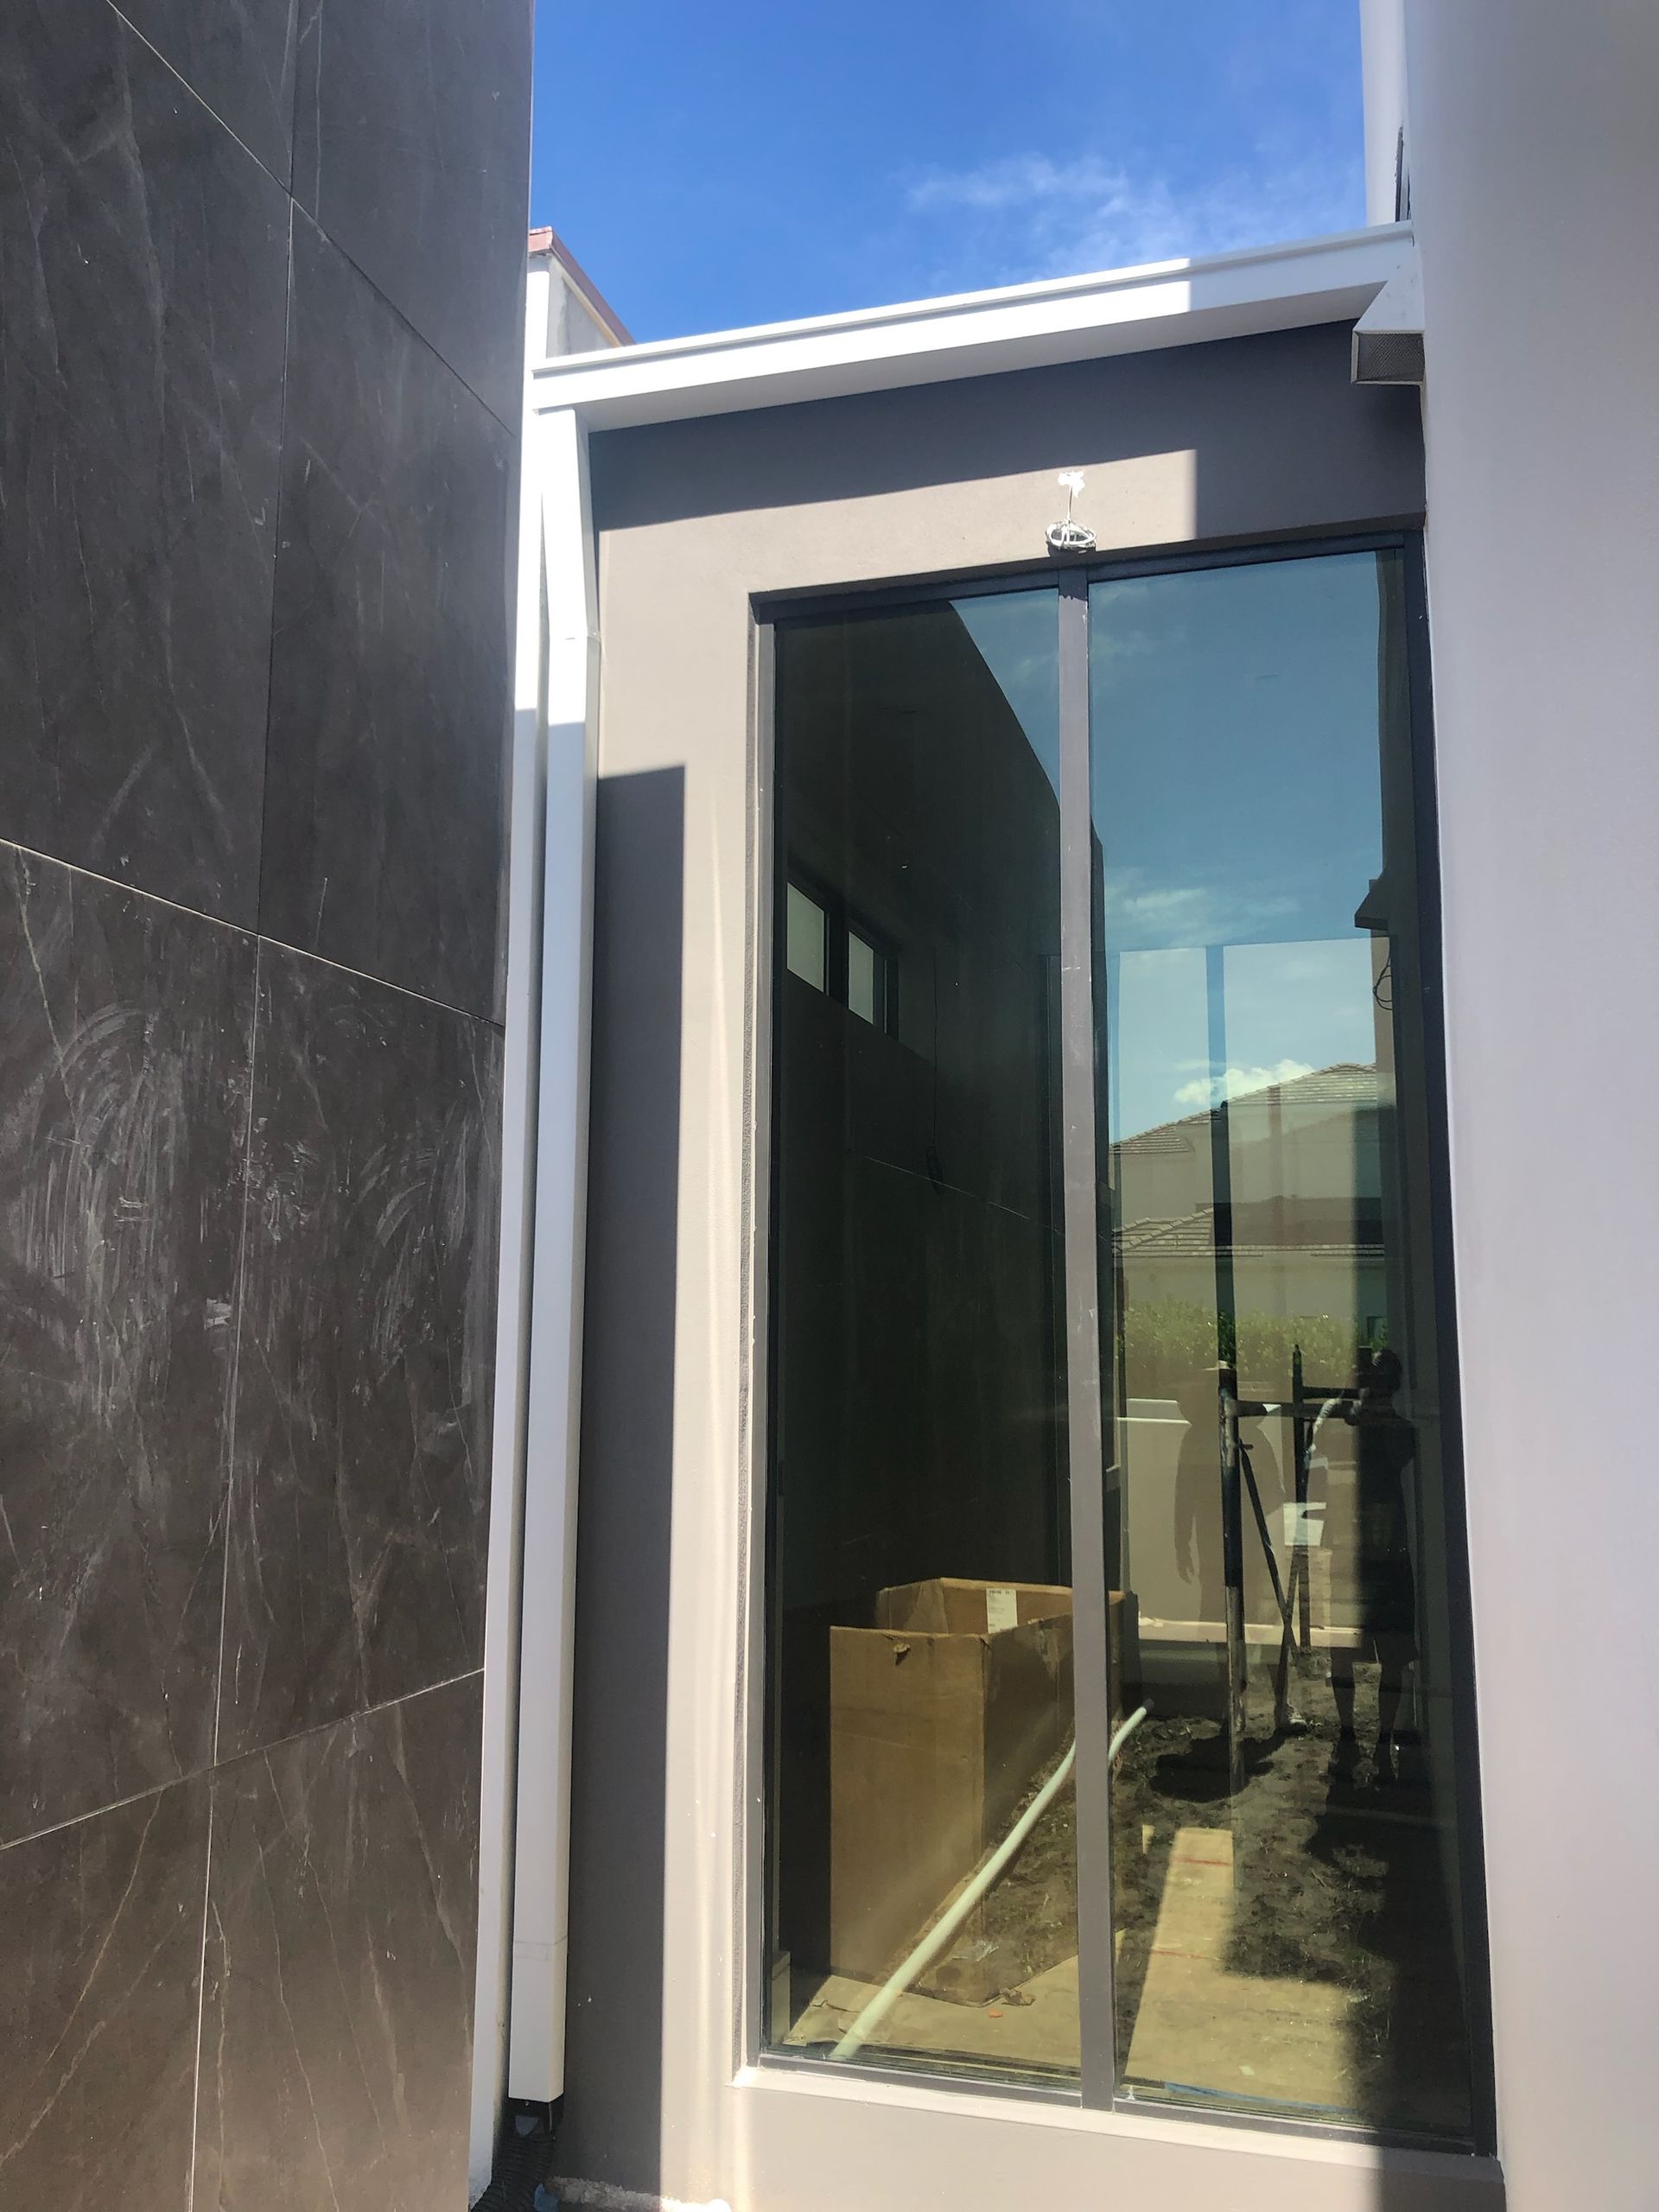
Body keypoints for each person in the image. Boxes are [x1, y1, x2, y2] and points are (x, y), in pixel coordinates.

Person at [1326, 1347, 1419, 1781]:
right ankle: (1349, 1733)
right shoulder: (1346, 1422)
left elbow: (1399, 1450)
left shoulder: (1398, 1429)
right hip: (1353, 1546)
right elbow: (1326, 1440)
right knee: (1345, 1649)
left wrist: (1365, 1414)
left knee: (1392, 1654)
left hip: (1384, 1550)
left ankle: (1381, 1739)